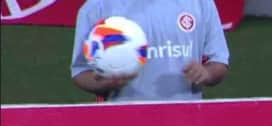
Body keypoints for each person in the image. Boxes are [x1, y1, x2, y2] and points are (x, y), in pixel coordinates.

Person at [70, 0, 229, 102]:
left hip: (186, 120)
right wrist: (106, 83)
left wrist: (207, 73)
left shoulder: (200, 2)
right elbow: (80, 72)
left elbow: (219, 61)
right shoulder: (97, 7)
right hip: (123, 120)